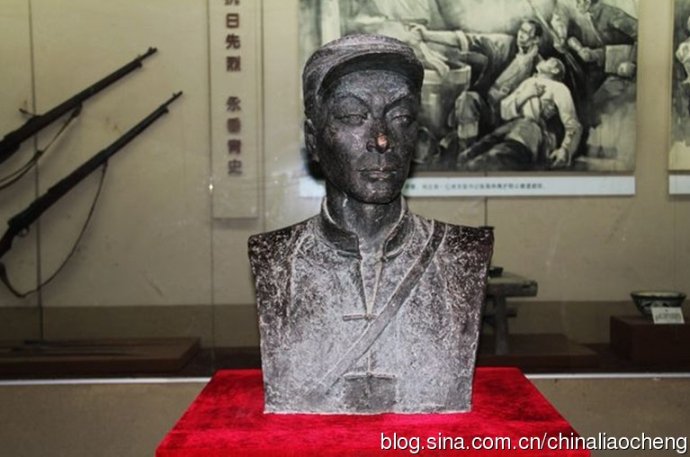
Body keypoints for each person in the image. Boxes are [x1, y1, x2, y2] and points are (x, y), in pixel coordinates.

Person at [248, 34, 493, 414]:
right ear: (313, 139)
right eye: (352, 116)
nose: (381, 140)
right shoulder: (276, 258)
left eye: (401, 118)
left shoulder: (462, 254)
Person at [459, 58, 582, 170]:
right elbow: (505, 110)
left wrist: (565, 150)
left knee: (494, 158)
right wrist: (526, 94)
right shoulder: (528, 82)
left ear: (555, 70)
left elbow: (573, 124)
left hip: (533, 130)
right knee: (471, 153)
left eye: (548, 61)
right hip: (512, 125)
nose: (543, 60)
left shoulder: (559, 87)